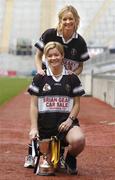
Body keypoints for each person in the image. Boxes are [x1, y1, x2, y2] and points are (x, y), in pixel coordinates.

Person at [26, 42, 85, 175]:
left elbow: (76, 104)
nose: (53, 58)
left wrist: (70, 121)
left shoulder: (72, 77)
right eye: (50, 55)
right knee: (50, 169)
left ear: (62, 55)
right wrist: (34, 127)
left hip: (65, 124)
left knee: (79, 140)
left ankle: (70, 157)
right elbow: (33, 105)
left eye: (56, 55)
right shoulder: (39, 78)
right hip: (45, 126)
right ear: (46, 57)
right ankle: (49, 155)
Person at [34, 5, 90, 76]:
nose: (68, 22)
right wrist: (39, 70)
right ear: (60, 21)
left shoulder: (80, 42)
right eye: (64, 19)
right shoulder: (49, 34)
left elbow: (80, 66)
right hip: (46, 77)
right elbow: (38, 56)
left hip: (66, 83)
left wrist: (73, 75)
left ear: (76, 20)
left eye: (70, 19)